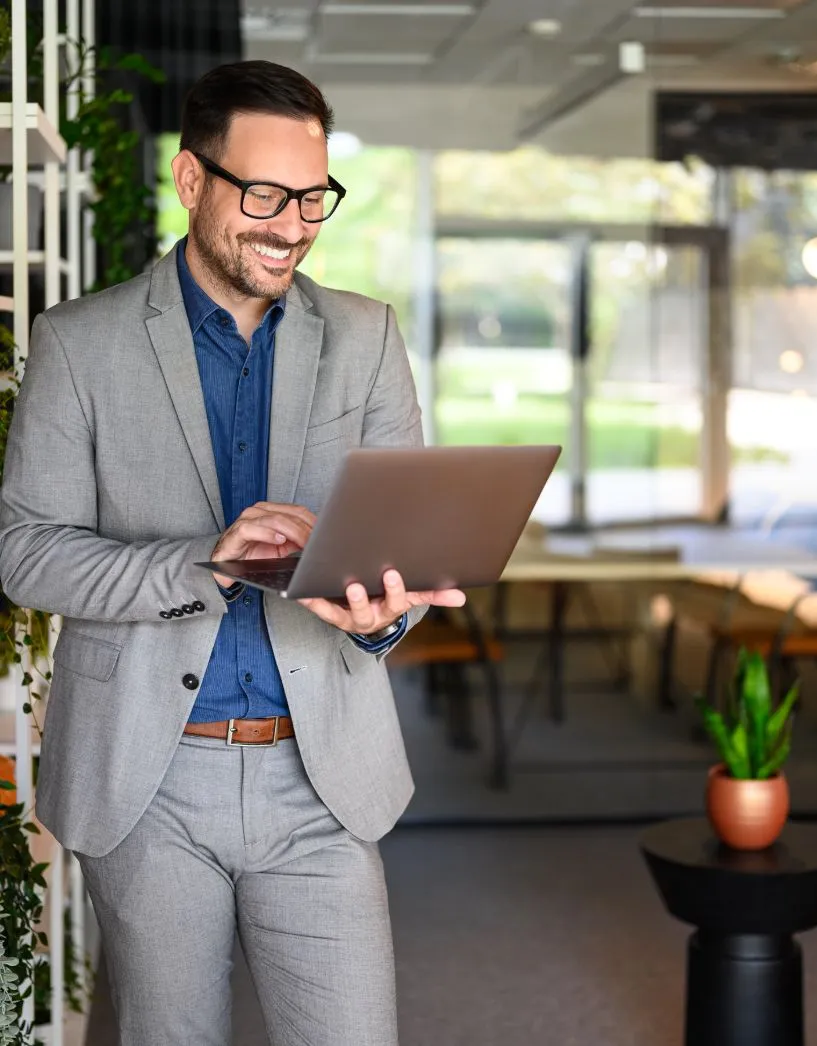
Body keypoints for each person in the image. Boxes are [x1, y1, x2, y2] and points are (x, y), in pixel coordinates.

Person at [0, 59, 465, 1046]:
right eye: (264, 193)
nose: (292, 223)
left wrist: (391, 609)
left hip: (325, 774)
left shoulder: (367, 337)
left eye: (313, 197)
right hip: (149, 775)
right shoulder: (79, 342)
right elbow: (24, 550)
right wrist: (199, 560)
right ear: (190, 181)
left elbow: (403, 544)